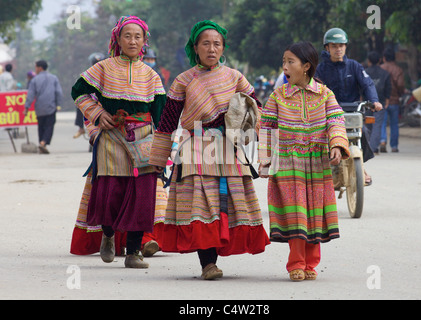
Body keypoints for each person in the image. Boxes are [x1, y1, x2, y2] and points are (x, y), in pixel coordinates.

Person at [147, 20, 270, 280]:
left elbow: (256, 108)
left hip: (229, 148)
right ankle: (208, 264)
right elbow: (168, 122)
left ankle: (217, 255)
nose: (211, 48)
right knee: (202, 205)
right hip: (195, 148)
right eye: (206, 43)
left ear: (223, 48)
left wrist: (253, 130)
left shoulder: (235, 77)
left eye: (217, 43)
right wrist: (158, 158)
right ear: (195, 47)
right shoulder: (183, 80)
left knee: (229, 203)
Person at [71, 15, 166, 268]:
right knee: (110, 191)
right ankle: (109, 235)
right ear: (117, 39)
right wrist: (98, 113)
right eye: (127, 36)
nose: (133, 41)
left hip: (144, 139)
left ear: (145, 41)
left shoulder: (152, 76)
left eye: (138, 36)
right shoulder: (103, 68)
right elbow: (77, 91)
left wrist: (164, 149)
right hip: (112, 137)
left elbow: (161, 115)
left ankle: (134, 252)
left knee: (142, 195)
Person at [259, 41, 349, 281]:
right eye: (284, 62)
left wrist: (337, 145)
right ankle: (296, 263)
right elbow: (266, 128)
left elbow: (336, 121)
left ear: (306, 66)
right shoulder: (278, 95)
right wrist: (265, 161)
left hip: (317, 164)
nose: (285, 67)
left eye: (290, 62)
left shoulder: (324, 93)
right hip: (289, 164)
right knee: (296, 213)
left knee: (314, 215)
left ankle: (311, 263)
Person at [315, 27, 382, 186]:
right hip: (328, 114)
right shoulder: (320, 69)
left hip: (352, 111)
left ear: (345, 47)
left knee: (363, 132)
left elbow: (367, 84)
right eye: (334, 46)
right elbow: (315, 89)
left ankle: (361, 167)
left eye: (341, 46)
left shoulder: (355, 66)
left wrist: (374, 100)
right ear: (327, 48)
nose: (338, 49)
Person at [24, 60, 63, 154]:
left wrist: (26, 107)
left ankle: (42, 143)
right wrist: (58, 104)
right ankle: (43, 142)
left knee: (41, 126)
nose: (35, 69)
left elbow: (30, 94)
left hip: (39, 107)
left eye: (36, 67)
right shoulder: (54, 78)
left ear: (40, 68)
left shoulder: (34, 80)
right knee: (49, 126)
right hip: (51, 106)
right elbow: (59, 92)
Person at [365, 51, 391, 153]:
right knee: (377, 125)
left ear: (369, 61)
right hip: (380, 102)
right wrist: (387, 100)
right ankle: (373, 148)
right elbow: (388, 88)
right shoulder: (385, 74)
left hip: (367, 102)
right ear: (379, 60)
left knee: (368, 124)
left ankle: (368, 147)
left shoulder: (365, 72)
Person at [380, 47, 405, 153]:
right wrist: (399, 93)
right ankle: (394, 146)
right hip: (394, 101)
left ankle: (382, 141)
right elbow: (400, 85)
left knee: (382, 123)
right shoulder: (398, 69)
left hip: (382, 101)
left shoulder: (380, 68)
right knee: (394, 124)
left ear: (384, 58)